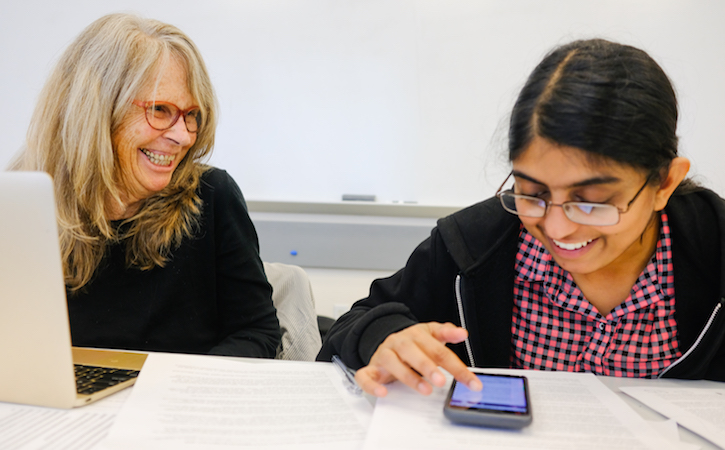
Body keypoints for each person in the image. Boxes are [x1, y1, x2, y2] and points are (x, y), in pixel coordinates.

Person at [318, 38, 725, 396]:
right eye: (533, 193)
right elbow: (353, 323)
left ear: (665, 183)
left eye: (591, 201)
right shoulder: (474, 246)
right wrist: (383, 338)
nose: (557, 228)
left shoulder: (714, 249)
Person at [11, 13, 281, 357]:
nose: (183, 136)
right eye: (160, 109)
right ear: (96, 110)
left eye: (191, 115)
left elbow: (256, 331)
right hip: (62, 407)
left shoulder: (213, 196)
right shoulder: (22, 205)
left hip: (178, 402)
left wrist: (186, 388)